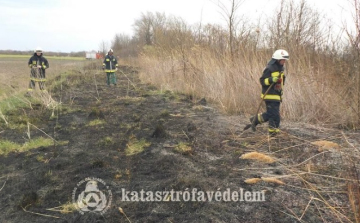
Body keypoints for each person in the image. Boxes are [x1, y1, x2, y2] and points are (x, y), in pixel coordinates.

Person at [249, 49, 289, 136]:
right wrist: (271, 80)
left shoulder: (281, 68)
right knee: (274, 115)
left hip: (277, 96)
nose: (284, 62)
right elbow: (262, 81)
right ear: (278, 59)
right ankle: (272, 134)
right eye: (283, 60)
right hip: (269, 95)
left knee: (273, 115)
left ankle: (256, 120)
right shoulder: (269, 68)